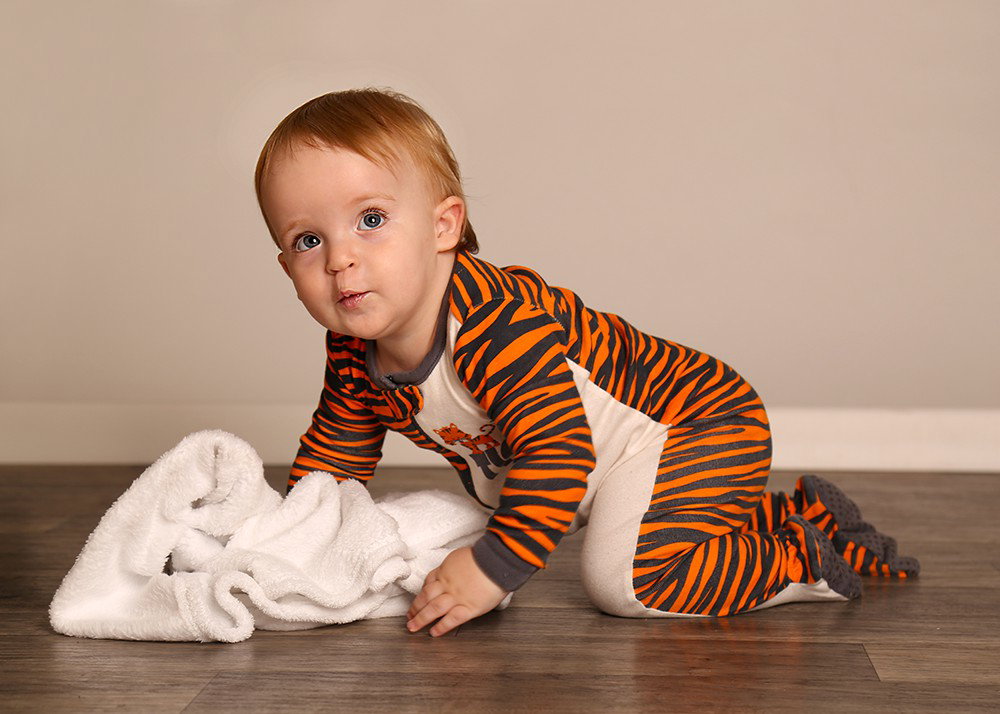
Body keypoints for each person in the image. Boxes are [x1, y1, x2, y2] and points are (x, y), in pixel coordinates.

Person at [253, 87, 919, 637]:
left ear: (443, 226)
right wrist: (283, 546)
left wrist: (490, 568)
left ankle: (801, 555)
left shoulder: (492, 325)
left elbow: (560, 453)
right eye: (309, 239)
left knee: (627, 581)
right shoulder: (352, 354)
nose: (340, 258)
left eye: (370, 220)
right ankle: (776, 517)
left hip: (694, 422)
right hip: (609, 460)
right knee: (532, 511)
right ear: (288, 267)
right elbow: (334, 463)